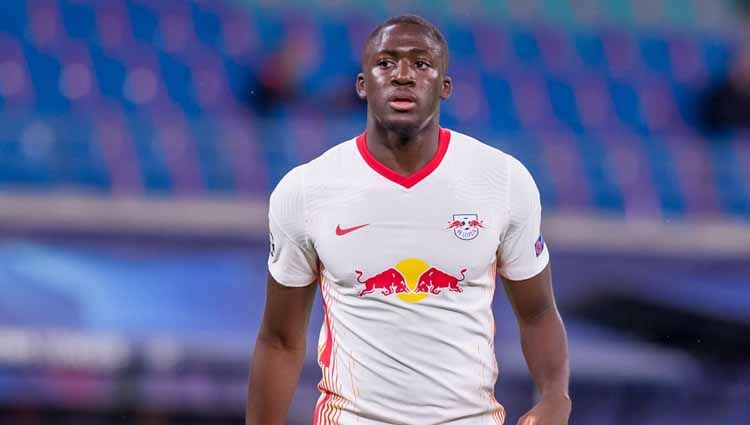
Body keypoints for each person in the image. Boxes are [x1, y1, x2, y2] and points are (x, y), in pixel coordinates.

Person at [247, 15, 571, 425]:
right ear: (362, 85)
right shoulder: (306, 190)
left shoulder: (504, 181)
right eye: (386, 63)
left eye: (422, 64)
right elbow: (279, 341)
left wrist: (556, 397)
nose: (403, 75)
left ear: (444, 87)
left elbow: (539, 313)